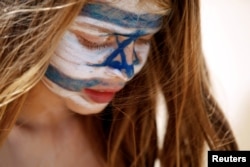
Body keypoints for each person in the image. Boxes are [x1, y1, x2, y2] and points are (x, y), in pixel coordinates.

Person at [0, 0, 238, 166]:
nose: (123, 72)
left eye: (144, 39)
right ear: (27, 23)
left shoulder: (130, 130)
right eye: (93, 40)